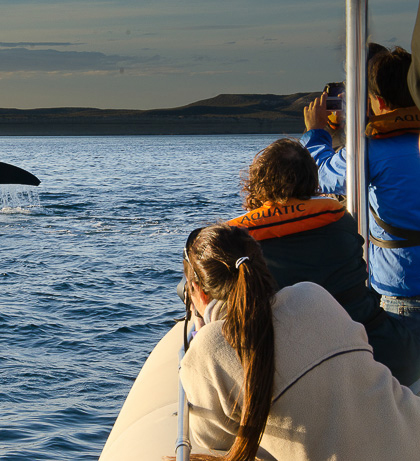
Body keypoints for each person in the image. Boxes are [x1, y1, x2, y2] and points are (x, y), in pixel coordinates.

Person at [180, 224, 420, 461]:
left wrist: (203, 334)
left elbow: (216, 447)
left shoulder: (207, 352)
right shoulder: (312, 295)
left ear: (198, 292)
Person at [225, 138, 420, 387]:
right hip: (384, 353)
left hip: (309, 369)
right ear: (314, 183)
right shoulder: (343, 224)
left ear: (256, 185)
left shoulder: (242, 243)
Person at [301, 46, 420, 341]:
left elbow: (320, 176)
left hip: (404, 293)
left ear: (376, 100)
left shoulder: (371, 149)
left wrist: (317, 133)